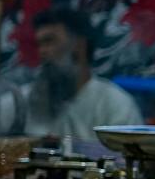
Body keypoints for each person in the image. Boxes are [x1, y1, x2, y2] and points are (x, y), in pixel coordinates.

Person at [27, 8, 142, 144]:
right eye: (39, 44)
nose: (42, 51)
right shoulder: (27, 99)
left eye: (50, 41)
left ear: (79, 45)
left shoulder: (115, 105)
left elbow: (126, 159)